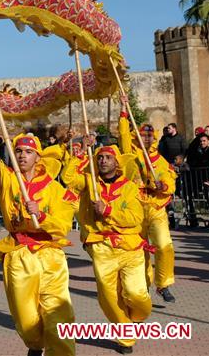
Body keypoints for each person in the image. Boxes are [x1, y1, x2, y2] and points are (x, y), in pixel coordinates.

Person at [0, 95, 76, 356]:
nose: (22, 155)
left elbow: (63, 224)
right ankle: (34, 344)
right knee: (26, 320)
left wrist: (41, 216)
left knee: (59, 318)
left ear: (37, 156)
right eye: (18, 151)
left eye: (28, 152)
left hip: (50, 255)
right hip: (18, 255)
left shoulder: (54, 189)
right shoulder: (7, 180)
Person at [63, 145, 151, 354]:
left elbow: (135, 218)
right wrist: (80, 155)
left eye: (107, 158)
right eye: (99, 157)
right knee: (108, 295)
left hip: (130, 246)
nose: (103, 161)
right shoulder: (89, 182)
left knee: (136, 294)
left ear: (116, 163)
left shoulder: (129, 187)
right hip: (101, 246)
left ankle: (137, 317)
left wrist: (108, 210)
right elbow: (68, 179)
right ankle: (125, 335)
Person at [117, 96, 178, 303]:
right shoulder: (130, 155)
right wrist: (124, 110)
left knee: (164, 245)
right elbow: (123, 132)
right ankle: (142, 285)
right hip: (135, 209)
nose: (146, 139)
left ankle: (164, 284)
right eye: (143, 136)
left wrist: (164, 186)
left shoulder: (159, 161)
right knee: (139, 250)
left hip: (156, 208)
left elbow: (170, 181)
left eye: (150, 136)